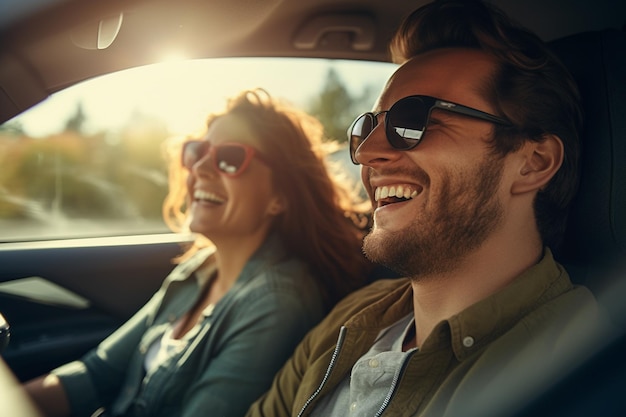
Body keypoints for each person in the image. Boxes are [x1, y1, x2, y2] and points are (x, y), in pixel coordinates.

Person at [246, 1, 611, 416]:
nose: (367, 152)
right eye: (369, 125)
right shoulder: (355, 316)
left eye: (414, 120)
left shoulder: (573, 366)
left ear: (533, 163)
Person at [22, 88, 372, 417]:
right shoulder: (199, 269)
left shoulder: (277, 302)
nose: (201, 168)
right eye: (197, 152)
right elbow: (96, 373)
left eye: (231, 157)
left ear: (280, 196)